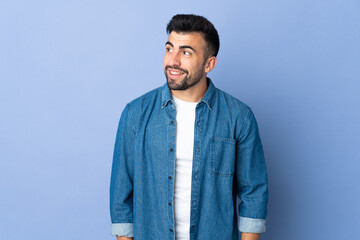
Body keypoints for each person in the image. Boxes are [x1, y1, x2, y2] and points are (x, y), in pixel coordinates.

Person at [110, 14, 269, 240]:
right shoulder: (135, 115)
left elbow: (254, 194)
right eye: (169, 48)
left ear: (209, 64)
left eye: (186, 52)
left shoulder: (238, 117)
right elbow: (121, 197)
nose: (173, 60)